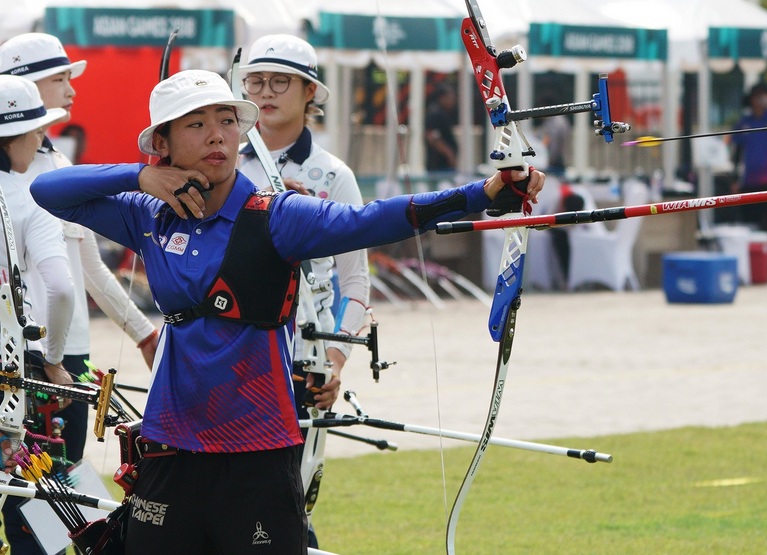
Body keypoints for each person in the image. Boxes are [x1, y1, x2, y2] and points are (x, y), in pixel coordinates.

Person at [30, 69, 544, 554]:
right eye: (196, 123)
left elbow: (372, 220)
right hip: (169, 446)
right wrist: (142, 177)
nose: (217, 135)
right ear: (162, 143)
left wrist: (485, 192)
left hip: (257, 450)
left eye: (227, 121)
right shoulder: (148, 215)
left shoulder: (279, 216)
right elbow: (46, 189)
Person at [0, 32, 159, 468]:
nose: (71, 90)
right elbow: (62, 284)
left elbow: (88, 267)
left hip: (68, 353)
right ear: (22, 85)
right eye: (59, 78)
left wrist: (142, 332)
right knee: (36, 498)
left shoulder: (60, 167)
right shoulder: (27, 174)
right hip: (35, 356)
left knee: (56, 488)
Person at [237, 34, 369, 413]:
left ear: (309, 90)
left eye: (280, 80)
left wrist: (334, 359)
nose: (266, 92)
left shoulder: (333, 175)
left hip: (305, 358)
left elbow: (356, 281)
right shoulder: (226, 164)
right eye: (256, 80)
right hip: (231, 350)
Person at [0, 74, 76, 555]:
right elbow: (62, 289)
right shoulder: (33, 194)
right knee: (37, 522)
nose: (42, 138)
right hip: (13, 379)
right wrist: (53, 359)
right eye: (36, 130)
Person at [729, 82, 767, 233]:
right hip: (751, 181)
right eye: (757, 96)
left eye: (763, 97)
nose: (759, 101)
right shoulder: (744, 122)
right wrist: (734, 179)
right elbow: (737, 152)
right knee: (750, 225)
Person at [424, 83, 458, 173]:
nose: (453, 101)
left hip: (444, 165)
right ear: (442, 98)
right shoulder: (435, 114)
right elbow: (433, 137)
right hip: (438, 165)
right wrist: (449, 154)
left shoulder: (444, 113)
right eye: (451, 98)